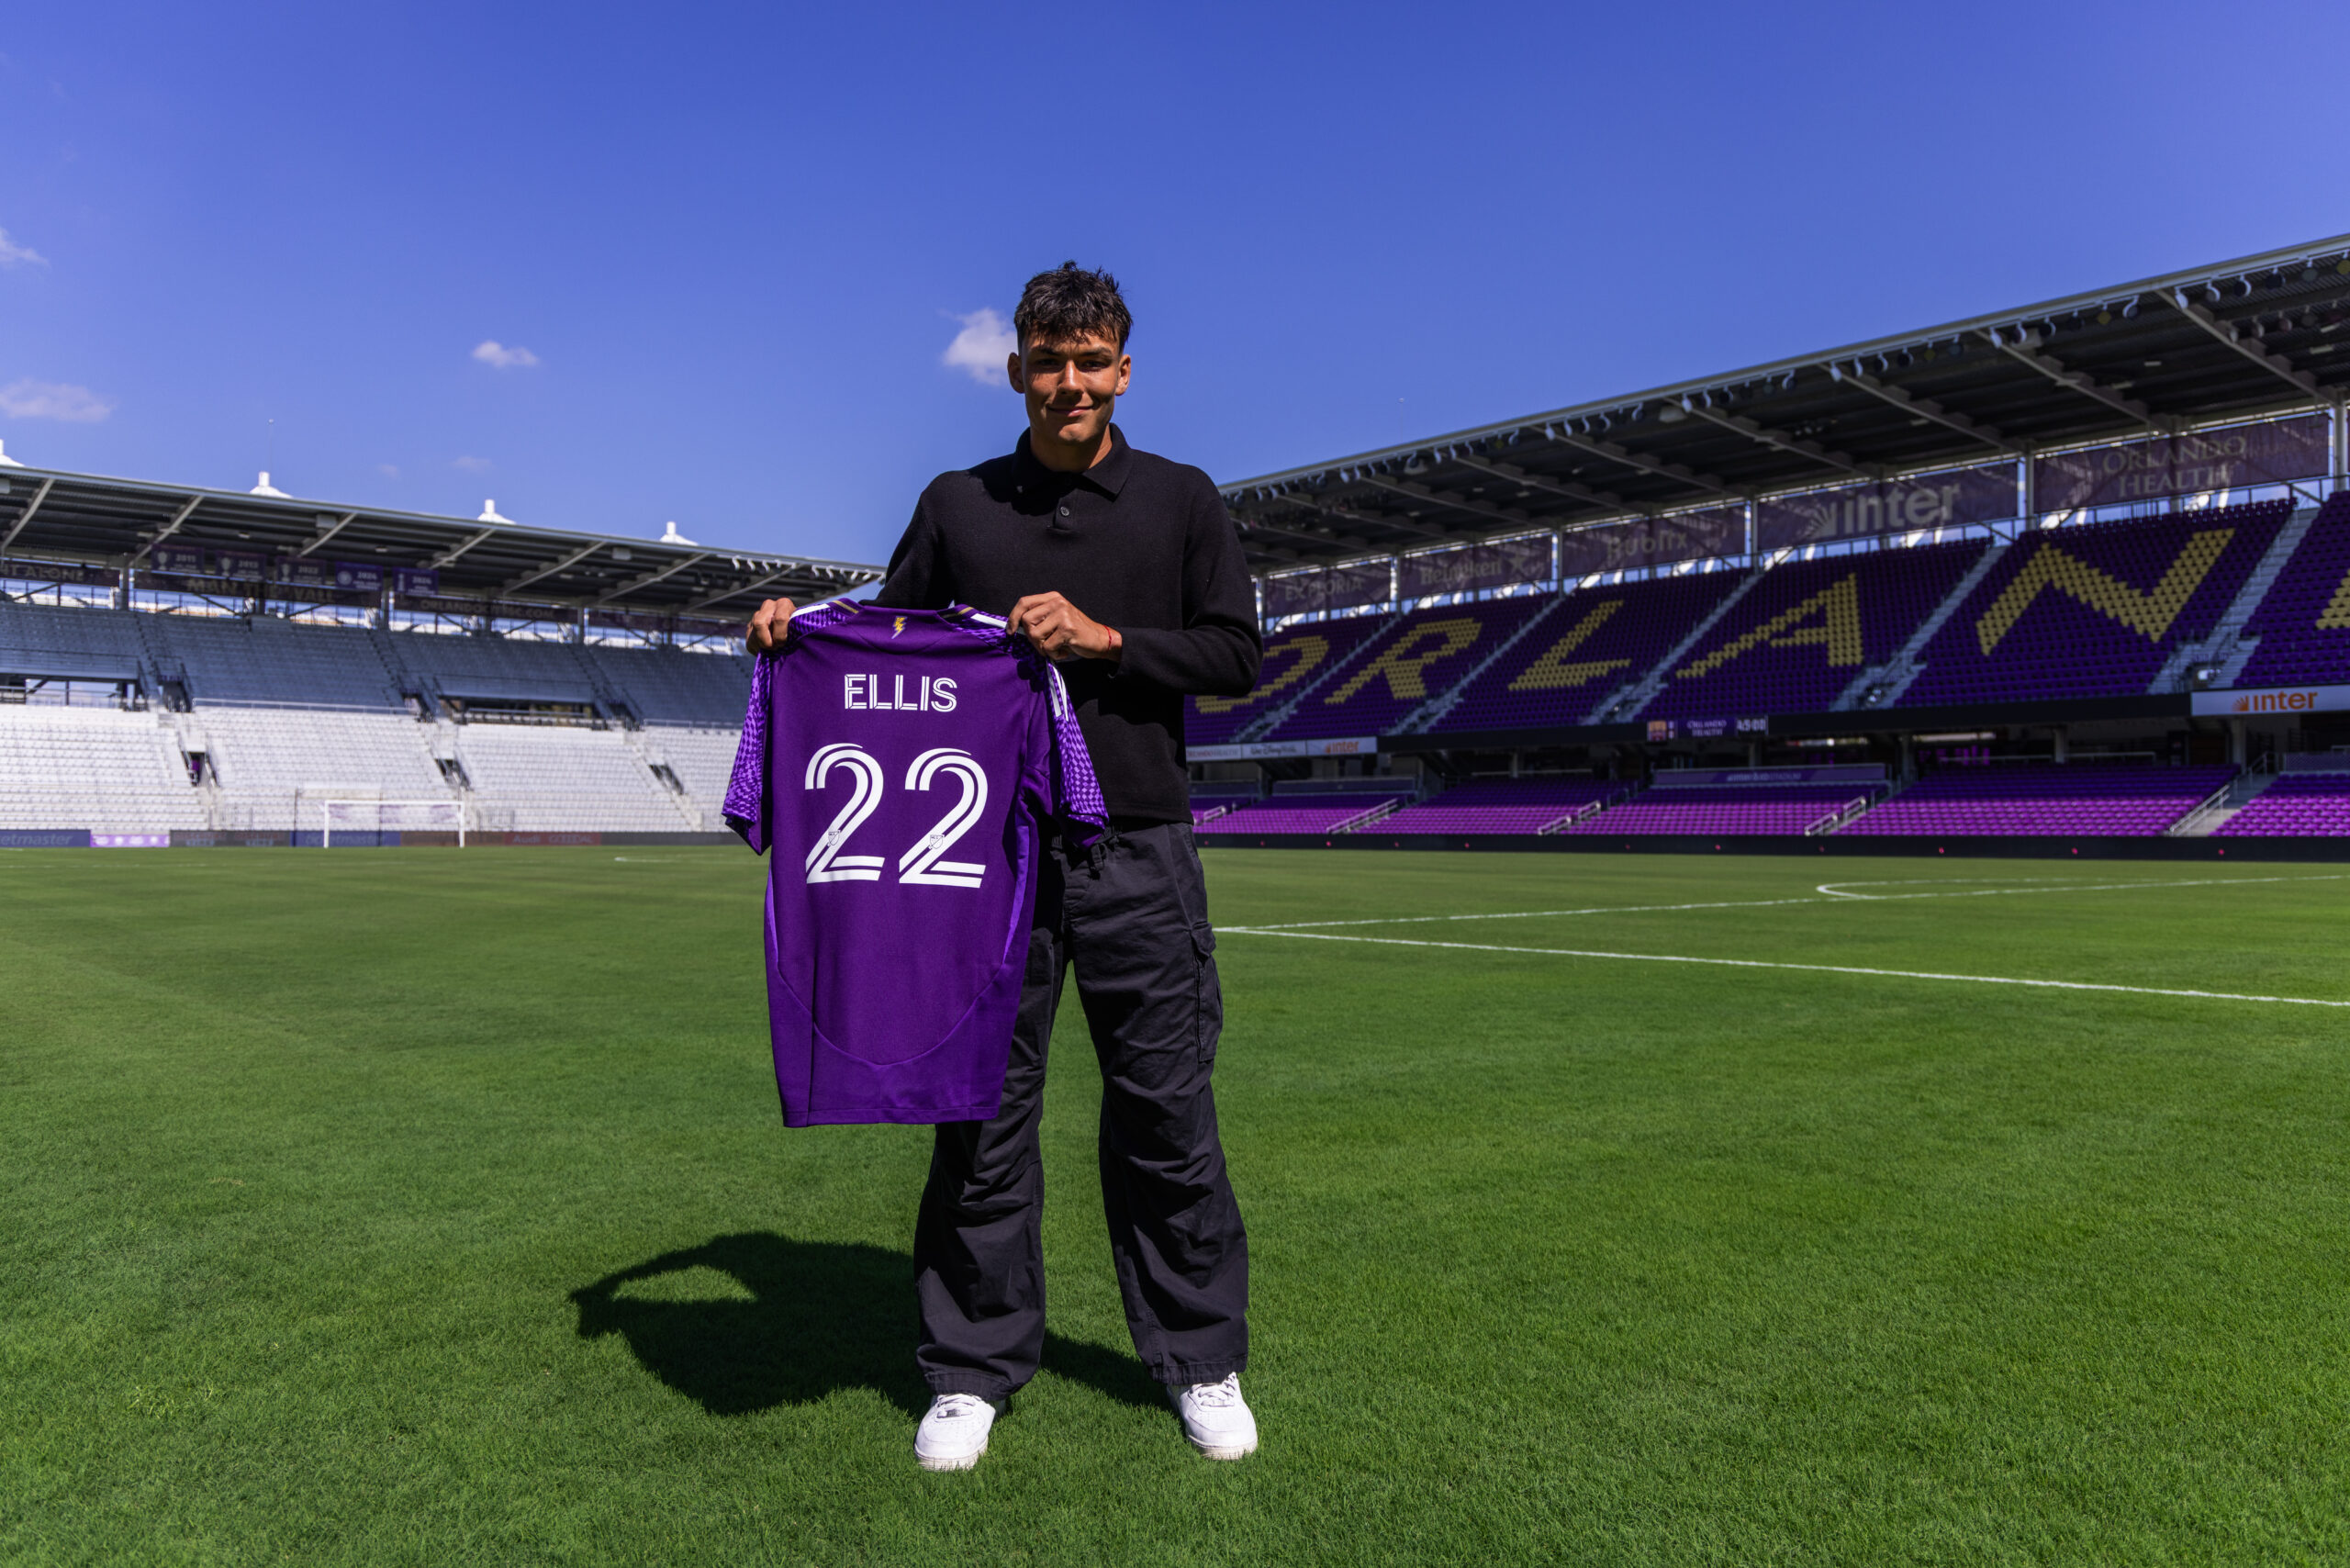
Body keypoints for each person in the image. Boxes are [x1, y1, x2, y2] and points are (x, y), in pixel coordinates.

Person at [744, 263, 1262, 1472]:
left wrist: (1109, 642)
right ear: (1016, 366)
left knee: (1169, 1117)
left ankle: (1200, 1359)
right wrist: (793, 630)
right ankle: (971, 1369)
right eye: (1048, 358)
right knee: (977, 1116)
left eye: (1092, 362)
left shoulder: (1183, 501)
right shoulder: (958, 503)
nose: (1069, 381)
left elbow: (1237, 654)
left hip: (1139, 847)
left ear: (1122, 371)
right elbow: (893, 643)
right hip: (982, 861)